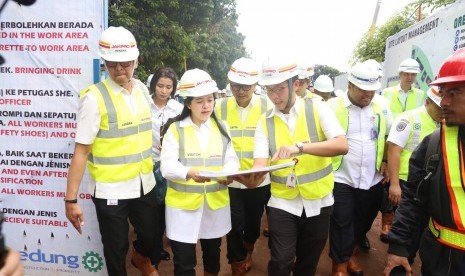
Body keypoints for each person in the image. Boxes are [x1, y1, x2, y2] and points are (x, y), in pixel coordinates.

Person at [236, 56, 348, 276]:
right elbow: (260, 163)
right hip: (282, 202)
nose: (274, 96)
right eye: (269, 90)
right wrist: (250, 179)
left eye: (279, 89)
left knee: (307, 263)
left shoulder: (317, 108)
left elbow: (341, 145)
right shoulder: (265, 122)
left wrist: (301, 147)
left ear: (295, 84)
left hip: (319, 200)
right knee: (280, 261)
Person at [64, 26, 160, 276]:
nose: (120, 70)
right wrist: (70, 200)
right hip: (110, 191)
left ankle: (141, 258)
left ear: (136, 60)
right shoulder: (94, 99)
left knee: (151, 236)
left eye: (126, 63)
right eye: (113, 64)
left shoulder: (141, 90)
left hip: (144, 183)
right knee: (115, 249)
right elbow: (81, 151)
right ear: (104, 62)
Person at [385, 48, 465, 276]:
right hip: (441, 261)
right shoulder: (433, 144)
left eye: (454, 93)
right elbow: (413, 198)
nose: (444, 102)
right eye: (442, 93)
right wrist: (399, 246)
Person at [160, 68, 240, 276]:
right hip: (182, 208)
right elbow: (167, 166)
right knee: (185, 263)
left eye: (210, 100)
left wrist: (229, 174)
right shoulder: (175, 129)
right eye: (199, 101)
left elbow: (232, 161)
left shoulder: (222, 127)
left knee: (213, 256)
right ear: (187, 103)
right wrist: (189, 172)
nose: (206, 106)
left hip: (214, 205)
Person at [327, 62, 392, 276]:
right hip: (341, 176)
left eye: (372, 90)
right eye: (364, 90)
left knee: (364, 219)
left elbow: (388, 136)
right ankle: (340, 265)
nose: (369, 95)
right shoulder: (332, 106)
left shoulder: (381, 106)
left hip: (372, 178)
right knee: (342, 219)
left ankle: (351, 251)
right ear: (350, 86)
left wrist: (385, 160)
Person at [214, 57, 272, 275]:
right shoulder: (219, 107)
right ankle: (237, 262)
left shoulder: (268, 106)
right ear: (230, 83)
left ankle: (248, 249)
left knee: (252, 225)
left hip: (259, 179)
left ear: (256, 85)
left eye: (246, 86)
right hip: (231, 180)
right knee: (233, 225)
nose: (240, 90)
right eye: (236, 85)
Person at [384, 86, 442, 275]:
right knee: (409, 231)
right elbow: (394, 149)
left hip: (433, 191)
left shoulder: (448, 124)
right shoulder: (409, 119)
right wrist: (394, 184)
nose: (443, 111)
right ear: (427, 103)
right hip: (407, 184)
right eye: (439, 107)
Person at [380, 58, 426, 243]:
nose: (409, 77)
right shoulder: (387, 93)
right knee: (387, 185)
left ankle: (397, 227)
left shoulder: (421, 95)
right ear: (399, 74)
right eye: (406, 74)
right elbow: (384, 126)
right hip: (391, 143)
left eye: (413, 74)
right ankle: (386, 223)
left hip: (411, 148)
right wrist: (383, 159)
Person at [148, 68, 184, 263]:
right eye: (160, 86)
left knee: (163, 208)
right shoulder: (143, 105)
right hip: (146, 163)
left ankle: (157, 247)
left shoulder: (177, 110)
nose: (163, 90)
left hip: (168, 165)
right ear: (154, 85)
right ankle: (150, 248)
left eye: (168, 87)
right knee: (148, 210)